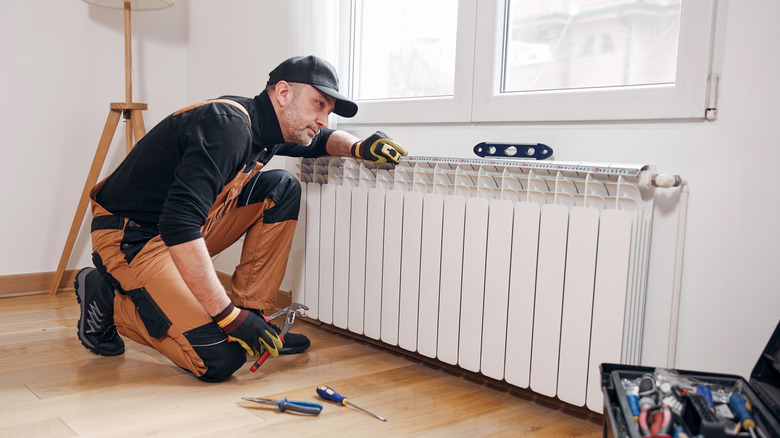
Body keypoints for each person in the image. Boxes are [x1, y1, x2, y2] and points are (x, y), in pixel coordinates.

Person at [74, 55, 407, 382]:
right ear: (284, 93)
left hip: (179, 231)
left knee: (281, 186)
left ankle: (255, 316)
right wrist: (227, 316)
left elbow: (319, 141)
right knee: (218, 359)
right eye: (319, 104)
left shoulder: (266, 128)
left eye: (329, 110)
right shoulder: (228, 126)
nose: (324, 118)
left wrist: (360, 147)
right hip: (132, 239)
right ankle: (107, 298)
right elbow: (179, 225)